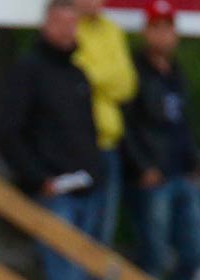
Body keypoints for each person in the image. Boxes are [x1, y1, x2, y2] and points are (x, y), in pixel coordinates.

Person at [0, 0, 103, 280]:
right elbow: (8, 132)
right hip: (55, 192)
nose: (67, 30)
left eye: (72, 23)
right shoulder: (28, 72)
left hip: (87, 190)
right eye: (60, 22)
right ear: (45, 24)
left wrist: (95, 173)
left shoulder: (77, 74)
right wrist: (37, 177)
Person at [121, 0, 200, 280]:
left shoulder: (176, 73)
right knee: (154, 256)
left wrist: (194, 159)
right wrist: (141, 166)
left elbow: (181, 123)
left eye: (168, 27)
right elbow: (126, 124)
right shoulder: (133, 71)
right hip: (151, 177)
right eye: (156, 27)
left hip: (179, 173)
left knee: (196, 255)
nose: (163, 34)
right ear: (146, 31)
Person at [74, 0, 138, 247]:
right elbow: (75, 79)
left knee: (104, 233)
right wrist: (106, 75)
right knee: (76, 233)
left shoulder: (111, 30)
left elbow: (127, 85)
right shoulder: (68, 28)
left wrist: (93, 76)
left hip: (109, 144)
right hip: (76, 148)